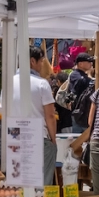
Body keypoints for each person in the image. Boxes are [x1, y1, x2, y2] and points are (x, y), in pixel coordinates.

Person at [8, 47, 59, 186]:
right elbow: (50, 115)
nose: (42, 65)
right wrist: (53, 140)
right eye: (41, 61)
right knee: (42, 182)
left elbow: (3, 111)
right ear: (32, 61)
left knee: (20, 179)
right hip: (38, 137)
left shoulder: (8, 83)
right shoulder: (42, 83)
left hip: (14, 137)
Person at [68, 53, 95, 133]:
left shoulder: (79, 75)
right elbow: (87, 83)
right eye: (88, 62)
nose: (91, 64)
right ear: (80, 64)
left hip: (82, 111)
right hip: (78, 112)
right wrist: (90, 75)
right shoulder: (76, 75)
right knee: (78, 139)